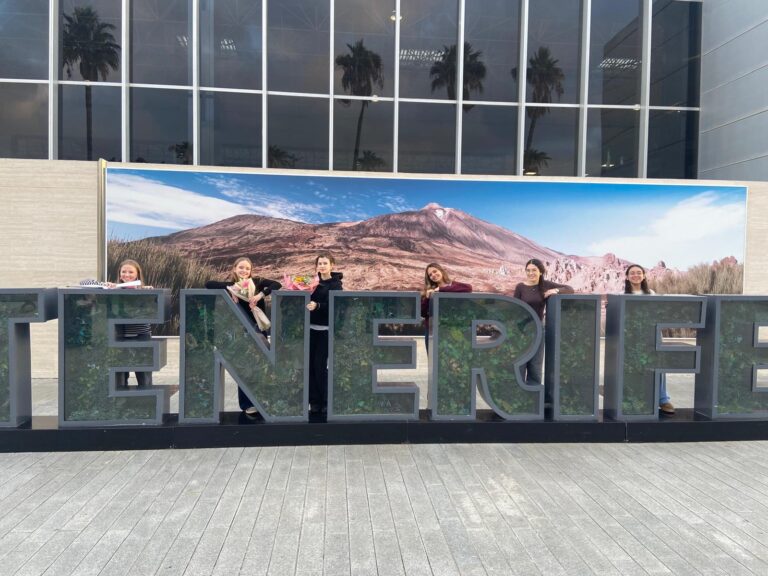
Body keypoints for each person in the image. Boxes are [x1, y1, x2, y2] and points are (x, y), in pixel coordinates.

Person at [205, 257, 281, 415]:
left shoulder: (257, 282)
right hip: (240, 333)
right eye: (241, 267)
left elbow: (276, 284)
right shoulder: (231, 286)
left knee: (261, 366)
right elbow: (209, 284)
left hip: (257, 331)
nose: (244, 271)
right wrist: (231, 289)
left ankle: (263, 400)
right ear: (234, 268)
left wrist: (260, 295)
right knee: (245, 368)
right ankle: (247, 404)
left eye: (247, 268)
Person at [512, 258, 574, 387]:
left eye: (534, 270)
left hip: (538, 330)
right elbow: (514, 309)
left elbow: (569, 289)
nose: (530, 273)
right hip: (521, 330)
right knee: (520, 364)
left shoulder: (545, 285)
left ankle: (534, 395)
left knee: (535, 365)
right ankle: (519, 394)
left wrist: (555, 290)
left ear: (540, 271)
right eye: (528, 270)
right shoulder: (520, 287)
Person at [624, 264, 674, 415]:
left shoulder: (651, 293)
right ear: (627, 277)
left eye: (639, 272)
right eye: (632, 273)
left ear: (644, 276)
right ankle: (636, 398)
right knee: (634, 368)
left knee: (658, 365)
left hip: (652, 334)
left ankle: (663, 399)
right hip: (632, 337)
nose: (636, 275)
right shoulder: (622, 295)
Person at [306, 252, 343, 417]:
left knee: (320, 367)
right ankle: (314, 402)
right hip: (310, 330)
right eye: (319, 263)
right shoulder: (312, 283)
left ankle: (326, 402)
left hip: (325, 331)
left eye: (325, 263)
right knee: (310, 367)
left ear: (332, 265)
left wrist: (318, 306)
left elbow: (336, 306)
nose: (322, 266)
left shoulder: (336, 285)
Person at [111, 259, 154, 388]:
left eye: (131, 272)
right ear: (119, 274)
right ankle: (121, 399)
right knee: (120, 376)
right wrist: (108, 289)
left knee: (143, 373)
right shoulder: (114, 290)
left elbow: (148, 310)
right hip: (120, 337)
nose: (127, 274)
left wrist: (145, 292)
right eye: (124, 271)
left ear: (137, 274)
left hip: (141, 335)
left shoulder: (145, 290)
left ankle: (146, 398)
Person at [420, 263, 472, 351]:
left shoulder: (453, 285)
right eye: (430, 275)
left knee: (450, 356)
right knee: (432, 357)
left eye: (435, 271)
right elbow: (423, 313)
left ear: (441, 271)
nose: (433, 275)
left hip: (451, 329)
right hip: (433, 330)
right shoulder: (429, 290)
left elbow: (468, 288)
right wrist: (427, 298)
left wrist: (441, 289)